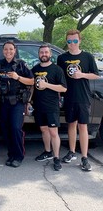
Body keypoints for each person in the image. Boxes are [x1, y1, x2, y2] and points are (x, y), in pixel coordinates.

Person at [57, 29, 99, 171]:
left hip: (83, 97)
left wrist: (82, 75)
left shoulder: (87, 56)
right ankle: (72, 152)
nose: (72, 43)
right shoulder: (61, 58)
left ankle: (85, 157)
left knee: (83, 127)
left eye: (75, 40)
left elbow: (95, 75)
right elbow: (59, 78)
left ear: (79, 41)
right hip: (68, 97)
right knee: (71, 125)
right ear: (67, 42)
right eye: (69, 41)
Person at [0, 41, 34, 168]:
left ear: (15, 50)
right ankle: (11, 154)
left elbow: (32, 81)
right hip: (3, 102)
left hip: (17, 102)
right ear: (2, 51)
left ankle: (18, 156)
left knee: (16, 128)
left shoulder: (21, 64)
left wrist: (18, 77)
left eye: (11, 49)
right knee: (6, 130)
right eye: (5, 49)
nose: (8, 51)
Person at [31, 44, 67, 171]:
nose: (44, 54)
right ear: (39, 54)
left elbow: (63, 88)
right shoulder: (34, 69)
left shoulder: (57, 69)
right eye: (42, 52)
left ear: (50, 54)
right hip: (39, 106)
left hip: (52, 106)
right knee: (44, 130)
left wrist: (46, 84)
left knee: (53, 132)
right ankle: (47, 152)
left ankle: (56, 158)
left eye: (46, 52)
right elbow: (31, 87)